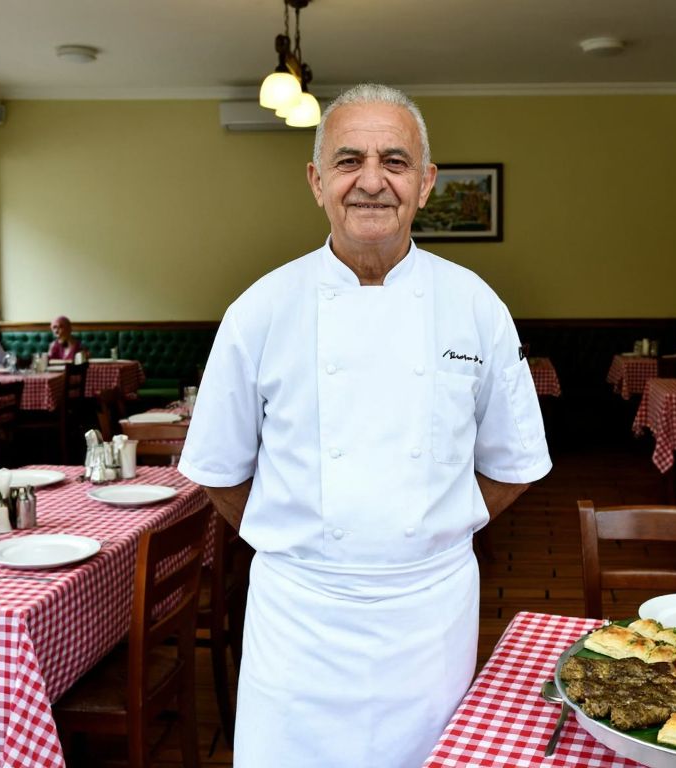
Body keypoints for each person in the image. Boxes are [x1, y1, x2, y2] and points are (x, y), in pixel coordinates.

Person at [178, 84, 551, 768]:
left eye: (396, 161)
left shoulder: (475, 305)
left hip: (429, 619)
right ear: (317, 181)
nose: (372, 181)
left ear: (427, 183)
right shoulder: (259, 309)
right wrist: (303, 545)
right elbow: (221, 472)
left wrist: (440, 529)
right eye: (349, 160)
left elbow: (513, 463)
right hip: (298, 624)